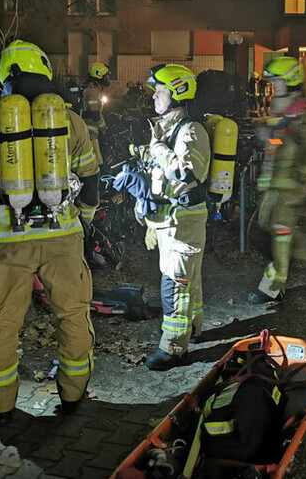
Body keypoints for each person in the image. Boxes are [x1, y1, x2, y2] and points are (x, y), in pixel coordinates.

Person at [0, 40, 100, 423]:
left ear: (7, 77)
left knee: (2, 325)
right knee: (72, 317)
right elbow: (90, 180)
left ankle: (2, 409)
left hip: (9, 242)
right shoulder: (70, 122)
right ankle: (73, 398)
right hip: (63, 237)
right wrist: (83, 222)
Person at [125, 64, 210, 370]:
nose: (154, 97)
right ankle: (194, 329)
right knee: (190, 279)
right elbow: (158, 173)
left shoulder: (191, 130)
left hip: (184, 218)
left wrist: (157, 148)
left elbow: (186, 172)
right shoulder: (167, 129)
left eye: (160, 91)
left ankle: (174, 347)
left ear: (177, 93)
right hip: (168, 218)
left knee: (176, 283)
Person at [247, 57, 306, 305]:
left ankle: (273, 288)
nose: (273, 85)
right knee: (267, 230)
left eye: (277, 81)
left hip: (288, 187)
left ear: (290, 80)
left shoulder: (301, 110)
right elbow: (276, 141)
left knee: (281, 235)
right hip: (273, 185)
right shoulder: (282, 106)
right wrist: (268, 135)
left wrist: (304, 184)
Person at [80, 62, 111, 169]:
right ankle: (101, 180)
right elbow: (95, 113)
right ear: (98, 75)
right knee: (97, 159)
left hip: (90, 128)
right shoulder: (92, 91)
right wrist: (104, 126)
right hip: (90, 129)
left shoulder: (93, 89)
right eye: (106, 76)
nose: (107, 79)